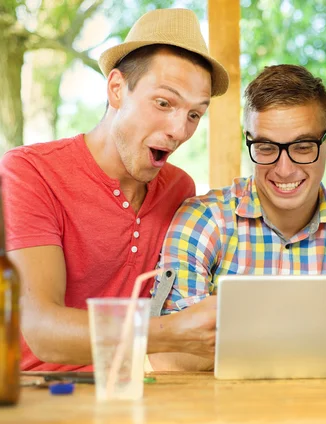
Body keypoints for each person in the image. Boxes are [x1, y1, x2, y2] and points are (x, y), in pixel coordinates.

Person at [0, 8, 230, 371]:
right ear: (117, 89)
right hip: (40, 395)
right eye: (164, 103)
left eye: (194, 114)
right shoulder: (30, 172)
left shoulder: (179, 188)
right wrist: (170, 332)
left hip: (131, 392)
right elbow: (43, 331)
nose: (179, 131)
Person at [149, 64, 326, 378]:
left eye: (302, 147)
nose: (284, 169)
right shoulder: (204, 220)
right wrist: (322, 345)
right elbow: (168, 356)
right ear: (249, 142)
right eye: (267, 148)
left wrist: (234, 340)